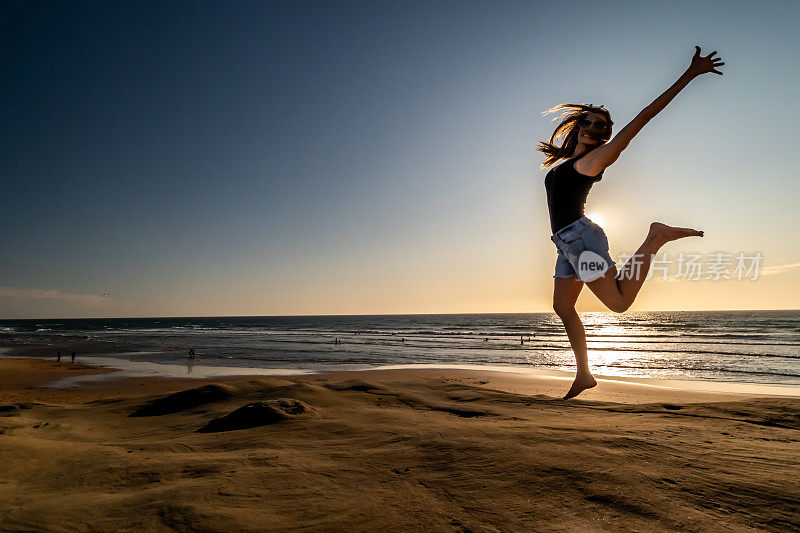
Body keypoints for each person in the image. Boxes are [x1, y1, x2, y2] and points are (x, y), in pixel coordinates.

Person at [537, 46, 724, 399]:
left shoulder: (594, 161)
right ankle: (584, 374)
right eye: (590, 122)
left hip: (581, 240)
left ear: (607, 137)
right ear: (578, 127)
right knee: (562, 307)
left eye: (603, 127)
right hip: (566, 243)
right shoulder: (566, 165)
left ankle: (655, 237)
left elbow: (645, 116)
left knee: (620, 305)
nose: (596, 128)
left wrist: (690, 74)